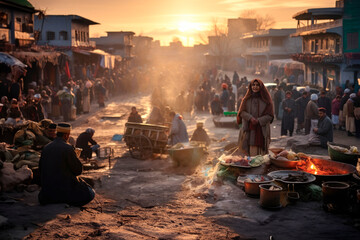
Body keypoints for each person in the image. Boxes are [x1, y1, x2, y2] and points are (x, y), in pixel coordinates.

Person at [38, 123, 95, 206]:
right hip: (64, 193)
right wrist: (76, 157)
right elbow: (78, 171)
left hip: (46, 196)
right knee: (90, 192)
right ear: (66, 136)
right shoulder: (68, 148)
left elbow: (41, 169)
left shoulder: (46, 147)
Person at [237, 79, 274, 156]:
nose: (255, 87)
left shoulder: (266, 100)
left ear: (261, 87)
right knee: (248, 151)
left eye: (257, 85)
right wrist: (250, 118)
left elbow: (270, 115)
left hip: (261, 130)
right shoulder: (246, 99)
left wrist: (259, 120)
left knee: (261, 155)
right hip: (249, 130)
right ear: (250, 87)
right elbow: (241, 112)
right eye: (253, 85)